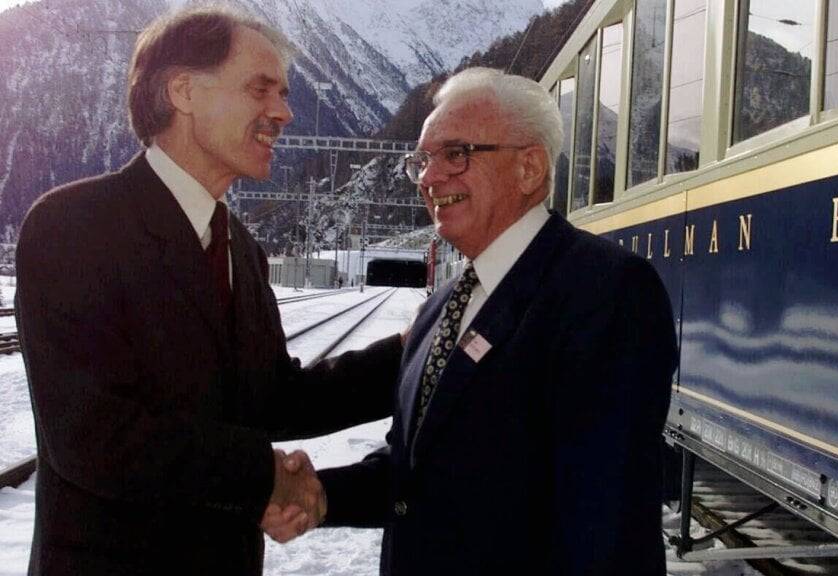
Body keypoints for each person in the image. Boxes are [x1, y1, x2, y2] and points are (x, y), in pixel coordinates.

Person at [15, 7, 402, 576]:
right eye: (260, 89)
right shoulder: (72, 224)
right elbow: (93, 438)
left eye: (283, 94)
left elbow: (271, 398)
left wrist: (409, 352)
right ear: (183, 91)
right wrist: (262, 472)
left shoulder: (240, 249)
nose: (283, 112)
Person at [266, 68, 678, 575]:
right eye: (422, 160)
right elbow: (419, 470)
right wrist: (323, 496)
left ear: (529, 167)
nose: (430, 177)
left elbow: (607, 528)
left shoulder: (606, 292)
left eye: (456, 154)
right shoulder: (443, 306)